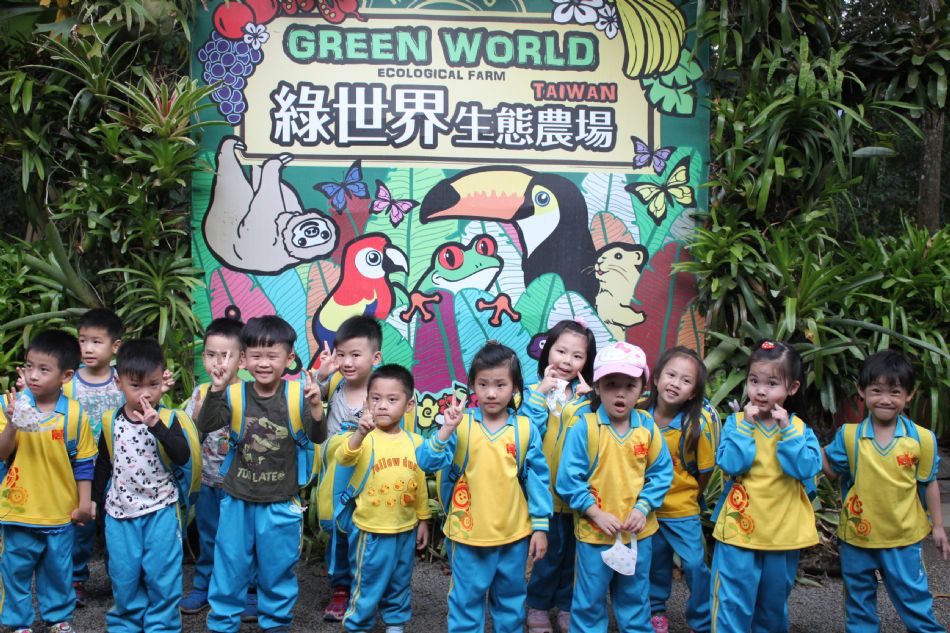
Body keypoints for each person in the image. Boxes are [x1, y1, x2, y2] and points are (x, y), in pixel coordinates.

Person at [196, 315, 326, 633]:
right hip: (237, 498)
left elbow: (317, 436)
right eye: (256, 355)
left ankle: (276, 622)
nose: (264, 363)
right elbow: (206, 424)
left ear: (289, 359)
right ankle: (222, 622)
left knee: (277, 567)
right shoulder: (234, 394)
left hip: (280, 500)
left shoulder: (296, 395)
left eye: (272, 355)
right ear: (243, 359)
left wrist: (315, 407)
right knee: (229, 565)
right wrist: (216, 388)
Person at [416, 341, 552, 633]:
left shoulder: (525, 429)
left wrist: (540, 527)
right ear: (472, 386)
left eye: (500, 384)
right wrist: (445, 430)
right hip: (467, 535)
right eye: (483, 384)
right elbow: (426, 461)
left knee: (511, 604)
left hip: (514, 536)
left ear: (515, 387)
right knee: (466, 602)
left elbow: (538, 479)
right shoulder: (460, 425)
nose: (491, 393)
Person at [823, 350, 950, 633]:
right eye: (876, 390)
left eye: (895, 392)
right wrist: (806, 443)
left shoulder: (921, 439)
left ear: (909, 395)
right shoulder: (849, 436)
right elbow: (831, 469)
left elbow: (929, 482)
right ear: (861, 391)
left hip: (902, 538)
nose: (885, 399)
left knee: (914, 600)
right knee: (858, 605)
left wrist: (938, 526)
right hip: (857, 538)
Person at [556, 341, 673, 633]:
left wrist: (643, 508)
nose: (620, 393)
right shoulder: (584, 427)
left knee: (636, 600)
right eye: (611, 385)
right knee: (589, 602)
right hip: (594, 534)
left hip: (638, 534)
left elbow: (661, 473)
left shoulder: (647, 427)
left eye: (630, 386)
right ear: (597, 387)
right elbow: (567, 480)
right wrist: (594, 512)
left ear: (643, 388)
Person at [709, 340, 820, 633]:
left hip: (782, 535)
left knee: (772, 609)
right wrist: (746, 426)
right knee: (731, 603)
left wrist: (787, 431)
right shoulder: (736, 423)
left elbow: (807, 469)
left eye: (772, 383)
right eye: (754, 380)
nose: (760, 390)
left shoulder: (799, 429)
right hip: (738, 532)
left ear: (792, 388)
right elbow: (732, 465)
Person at [92, 339, 200, 633]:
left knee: (162, 573)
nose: (145, 393)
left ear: (163, 379)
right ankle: (125, 623)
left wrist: (157, 427)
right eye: (135, 386)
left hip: (161, 510)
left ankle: (162, 625)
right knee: (123, 573)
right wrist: (95, 503)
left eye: (153, 385)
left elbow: (182, 455)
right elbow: (104, 463)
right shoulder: (110, 421)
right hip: (120, 512)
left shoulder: (167, 418)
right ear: (119, 383)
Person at [0, 329, 96, 633]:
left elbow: (84, 464)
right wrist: (12, 424)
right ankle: (19, 623)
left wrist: (84, 504)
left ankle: (58, 618)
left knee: (58, 570)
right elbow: (2, 454)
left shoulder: (74, 414)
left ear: (66, 376)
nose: (33, 375)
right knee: (14, 570)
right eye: (30, 366)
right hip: (18, 511)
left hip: (60, 512)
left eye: (44, 369)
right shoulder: (9, 404)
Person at [334, 364, 430, 633]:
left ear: (408, 405)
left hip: (405, 529)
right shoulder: (364, 437)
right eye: (376, 398)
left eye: (392, 399)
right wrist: (359, 433)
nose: (383, 405)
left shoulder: (415, 442)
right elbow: (343, 458)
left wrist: (423, 519)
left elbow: (420, 483)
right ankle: (358, 624)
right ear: (367, 402)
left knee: (400, 579)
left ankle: (395, 622)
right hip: (370, 530)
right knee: (367, 581)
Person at [180, 317, 258, 620]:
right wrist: (200, 413)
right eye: (211, 355)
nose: (218, 362)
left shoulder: (251, 393)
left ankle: (250, 590)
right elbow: (191, 436)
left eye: (226, 355)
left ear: (242, 360)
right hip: (209, 482)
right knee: (209, 536)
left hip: (242, 484)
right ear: (203, 357)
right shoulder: (200, 393)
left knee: (244, 540)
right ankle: (204, 585)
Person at [520, 320, 596, 633]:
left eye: (577, 356)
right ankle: (537, 606)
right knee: (546, 554)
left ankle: (567, 605)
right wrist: (540, 395)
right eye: (561, 351)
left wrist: (590, 403)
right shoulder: (531, 392)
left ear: (587, 362)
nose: (567, 361)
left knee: (573, 555)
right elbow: (526, 433)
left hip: (577, 495)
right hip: (544, 494)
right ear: (547, 351)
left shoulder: (588, 398)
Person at [313, 316, 383, 621]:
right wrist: (321, 375)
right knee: (339, 535)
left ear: (375, 358)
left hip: (370, 479)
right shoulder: (334, 385)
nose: (347, 362)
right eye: (341, 354)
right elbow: (308, 399)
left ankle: (365, 588)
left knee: (367, 535)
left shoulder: (383, 393)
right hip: (337, 477)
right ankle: (341, 588)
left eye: (356, 354)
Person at [644, 347, 718, 633]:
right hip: (646, 509)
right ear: (656, 378)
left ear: (693, 393)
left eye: (686, 380)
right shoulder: (640, 416)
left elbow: (705, 471)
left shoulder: (695, 426)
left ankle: (702, 619)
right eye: (671, 375)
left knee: (695, 564)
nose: (675, 383)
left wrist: (691, 497)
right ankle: (655, 611)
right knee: (654, 564)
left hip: (682, 509)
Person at [69, 308, 125, 606]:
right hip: (79, 471)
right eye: (82, 341)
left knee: (114, 526)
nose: (88, 348)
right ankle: (75, 578)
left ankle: (121, 579)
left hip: (116, 470)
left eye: (96, 341)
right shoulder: (69, 382)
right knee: (81, 526)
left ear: (115, 346)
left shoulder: (122, 381)